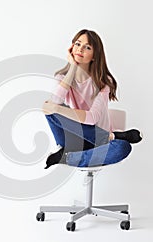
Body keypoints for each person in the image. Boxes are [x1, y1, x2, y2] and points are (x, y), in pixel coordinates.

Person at [42, 29, 142, 169]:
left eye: (87, 47)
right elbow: (52, 106)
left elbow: (92, 118)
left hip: (98, 142)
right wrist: (71, 70)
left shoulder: (103, 82)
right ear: (71, 48)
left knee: (123, 148)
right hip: (74, 141)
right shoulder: (62, 79)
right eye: (77, 44)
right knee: (50, 108)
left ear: (94, 56)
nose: (80, 49)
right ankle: (114, 136)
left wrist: (57, 109)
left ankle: (66, 157)